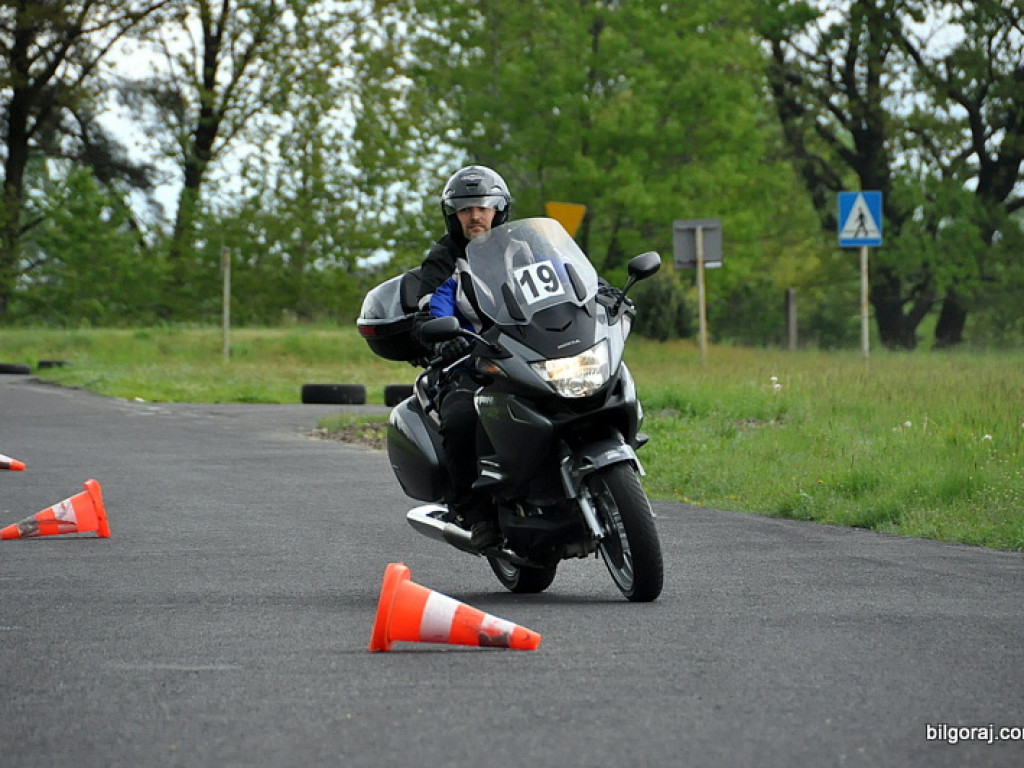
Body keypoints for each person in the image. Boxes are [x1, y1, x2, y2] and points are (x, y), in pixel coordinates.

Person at [415, 165, 512, 549]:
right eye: (465, 208)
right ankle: (474, 512)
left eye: (484, 206)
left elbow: (569, 275)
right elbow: (429, 310)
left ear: (499, 209)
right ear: (453, 215)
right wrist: (444, 339)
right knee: (460, 418)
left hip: (529, 350)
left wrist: (604, 295)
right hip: (471, 361)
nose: (475, 215)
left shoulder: (522, 248)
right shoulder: (445, 259)